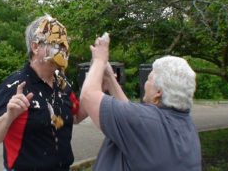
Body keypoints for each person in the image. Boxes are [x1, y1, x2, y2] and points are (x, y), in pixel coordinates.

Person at [0, 14, 87, 171]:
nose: (64, 49)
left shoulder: (63, 83)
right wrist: (9, 116)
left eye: (65, 44)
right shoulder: (15, 85)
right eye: (56, 43)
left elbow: (75, 116)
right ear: (36, 46)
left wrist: (98, 91)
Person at [80, 33, 202, 171]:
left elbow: (88, 96)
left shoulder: (145, 121)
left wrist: (99, 60)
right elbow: (133, 118)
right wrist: (109, 77)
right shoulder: (187, 126)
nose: (145, 84)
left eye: (149, 79)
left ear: (158, 93)